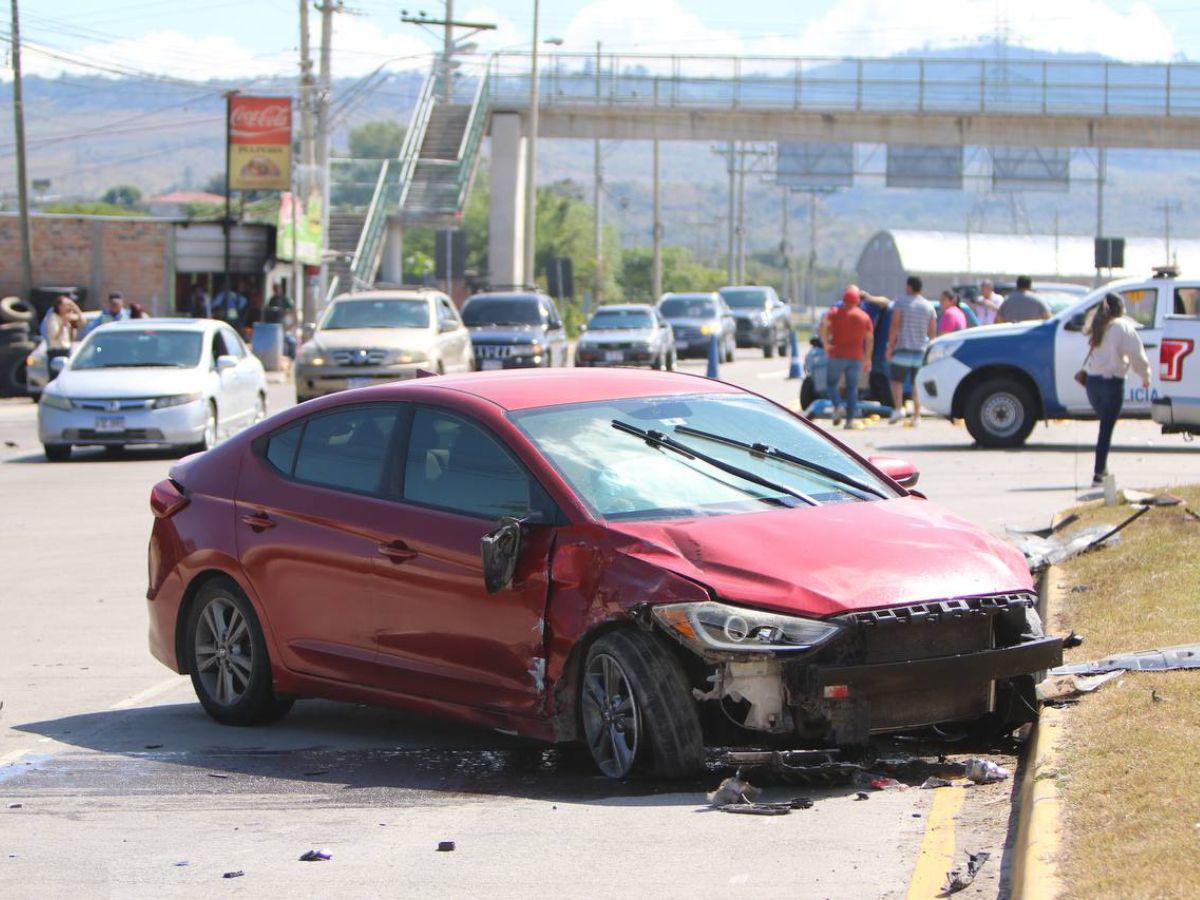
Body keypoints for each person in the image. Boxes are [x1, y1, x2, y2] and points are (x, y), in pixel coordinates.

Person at [1082, 292, 1151, 488]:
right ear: (1120, 309)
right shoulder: (1122, 327)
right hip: (1112, 383)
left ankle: (1102, 469)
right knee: (1106, 430)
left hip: (1093, 384)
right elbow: (1137, 354)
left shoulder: (1096, 326)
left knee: (1104, 426)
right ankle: (1099, 473)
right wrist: (1145, 375)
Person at [819, 285, 874, 429]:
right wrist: (868, 358)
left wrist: (825, 344)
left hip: (837, 355)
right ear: (858, 301)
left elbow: (823, 326)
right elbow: (869, 339)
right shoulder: (864, 316)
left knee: (831, 385)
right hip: (856, 357)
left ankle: (838, 406)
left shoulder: (834, 312)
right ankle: (849, 421)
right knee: (852, 388)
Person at [887, 275, 937, 426]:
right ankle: (916, 416)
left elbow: (895, 324)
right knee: (917, 384)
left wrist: (890, 345)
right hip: (921, 350)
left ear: (909, 287)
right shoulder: (928, 306)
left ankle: (898, 408)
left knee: (896, 381)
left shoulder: (901, 302)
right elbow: (932, 331)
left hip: (903, 348)